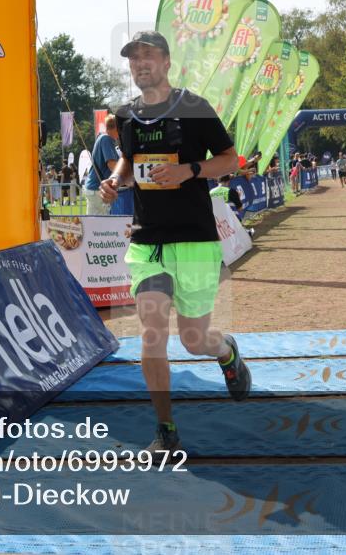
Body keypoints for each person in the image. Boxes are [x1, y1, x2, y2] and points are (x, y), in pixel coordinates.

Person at [99, 30, 250, 457]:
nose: (140, 64)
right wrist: (115, 180)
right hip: (148, 241)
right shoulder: (126, 116)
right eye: (134, 59)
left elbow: (230, 159)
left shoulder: (194, 107)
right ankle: (166, 429)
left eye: (149, 56)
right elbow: (129, 163)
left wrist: (190, 171)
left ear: (166, 62)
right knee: (151, 333)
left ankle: (225, 352)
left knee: (193, 340)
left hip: (195, 239)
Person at [83, 115, 120, 214]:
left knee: (91, 224)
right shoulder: (106, 139)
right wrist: (126, 177)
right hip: (98, 189)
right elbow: (111, 164)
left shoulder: (102, 138)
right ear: (117, 127)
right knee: (105, 224)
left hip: (92, 188)